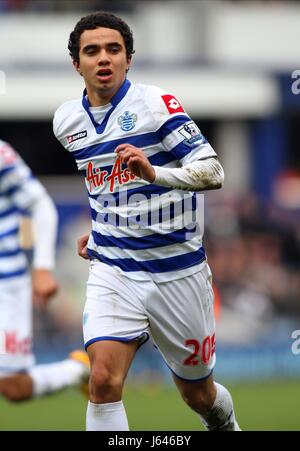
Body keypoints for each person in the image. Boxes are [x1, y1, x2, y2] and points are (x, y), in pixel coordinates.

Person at [53, 11, 240, 431]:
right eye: (92, 50)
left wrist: (155, 173)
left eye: (114, 49)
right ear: (76, 63)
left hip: (178, 271)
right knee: (101, 380)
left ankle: (225, 424)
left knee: (198, 394)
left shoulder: (156, 105)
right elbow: (103, 186)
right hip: (114, 267)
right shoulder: (66, 122)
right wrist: (103, 228)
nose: (104, 58)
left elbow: (213, 172)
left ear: (128, 58)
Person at [0, 139, 89, 402]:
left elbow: (41, 206)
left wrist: (42, 269)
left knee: (15, 388)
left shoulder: (2, 154)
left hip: (6, 285)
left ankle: (78, 369)